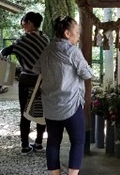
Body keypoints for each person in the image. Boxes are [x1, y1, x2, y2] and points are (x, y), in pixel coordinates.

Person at [32, 16, 93, 175]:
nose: (78, 35)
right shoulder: (72, 51)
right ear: (67, 33)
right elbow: (87, 74)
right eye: (77, 32)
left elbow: (36, 69)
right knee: (78, 141)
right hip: (71, 104)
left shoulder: (47, 50)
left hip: (51, 104)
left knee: (53, 142)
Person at [0, 11, 49, 155]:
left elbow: (5, 51)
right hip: (43, 81)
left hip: (27, 80)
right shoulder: (45, 38)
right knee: (41, 111)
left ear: (29, 23)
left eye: (24, 22)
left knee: (25, 112)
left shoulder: (23, 39)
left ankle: (25, 145)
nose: (22, 25)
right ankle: (39, 143)